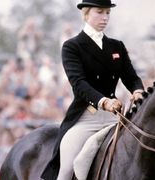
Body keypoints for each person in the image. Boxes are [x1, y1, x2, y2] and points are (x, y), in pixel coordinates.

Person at [41, 0, 144, 179]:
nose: (105, 17)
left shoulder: (116, 46)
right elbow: (78, 83)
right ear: (86, 13)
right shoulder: (72, 46)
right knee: (66, 168)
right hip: (87, 118)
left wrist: (138, 91)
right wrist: (104, 101)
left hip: (115, 117)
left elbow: (131, 78)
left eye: (107, 13)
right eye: (100, 12)